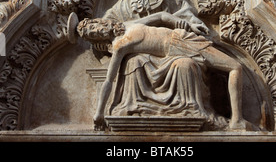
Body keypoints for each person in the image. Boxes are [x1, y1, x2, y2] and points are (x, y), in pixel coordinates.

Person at [76, 11, 250, 132]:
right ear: (96, 39)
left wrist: (186, 24)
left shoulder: (126, 25)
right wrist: (99, 113)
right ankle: (237, 120)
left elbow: (160, 16)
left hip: (182, 36)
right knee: (235, 67)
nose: (97, 29)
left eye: (95, 25)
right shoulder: (119, 46)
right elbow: (109, 80)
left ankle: (237, 118)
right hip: (177, 50)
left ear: (100, 21)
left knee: (235, 66)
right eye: (93, 33)